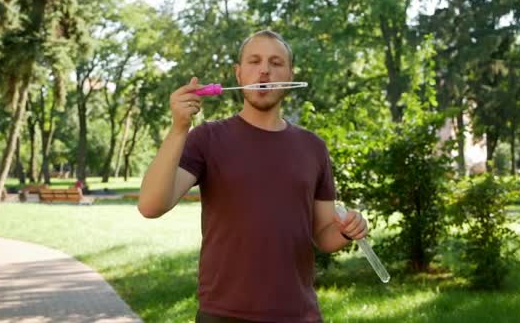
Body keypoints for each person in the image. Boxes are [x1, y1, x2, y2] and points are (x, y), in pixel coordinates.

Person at [138, 30, 368, 323]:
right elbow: (150, 205)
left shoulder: (313, 148)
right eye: (254, 61)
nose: (264, 69)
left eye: (276, 62)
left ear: (289, 74)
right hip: (222, 315)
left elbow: (323, 235)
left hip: (298, 314)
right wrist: (179, 128)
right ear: (238, 73)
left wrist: (349, 229)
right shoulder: (207, 138)